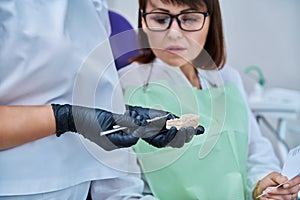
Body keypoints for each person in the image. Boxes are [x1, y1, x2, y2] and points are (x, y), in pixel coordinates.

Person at [0, 0, 203, 199]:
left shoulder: (92, 6)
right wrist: (67, 118)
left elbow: (98, 96)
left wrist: (125, 118)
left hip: (80, 186)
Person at [118, 0, 300, 199]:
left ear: (210, 22)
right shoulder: (123, 88)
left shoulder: (228, 79)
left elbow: (255, 153)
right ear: (143, 19)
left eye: (189, 19)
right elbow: (120, 193)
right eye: (160, 19)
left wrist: (261, 186)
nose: (174, 33)